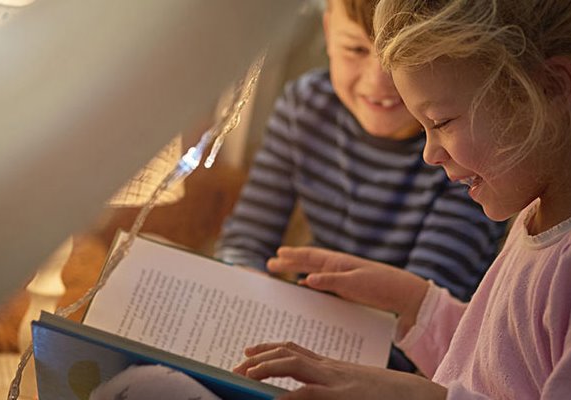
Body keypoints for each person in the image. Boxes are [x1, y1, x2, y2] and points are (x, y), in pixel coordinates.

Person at [234, 0, 571, 398]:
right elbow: (503, 369)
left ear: (549, 88)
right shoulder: (549, 207)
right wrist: (417, 304)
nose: (429, 153)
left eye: (441, 123)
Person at [215, 0, 507, 372]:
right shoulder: (305, 105)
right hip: (304, 329)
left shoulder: (460, 149)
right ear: (327, 32)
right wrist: (241, 284)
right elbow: (245, 240)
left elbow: (422, 317)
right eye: (355, 49)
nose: (379, 80)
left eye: (403, 54)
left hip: (411, 361)